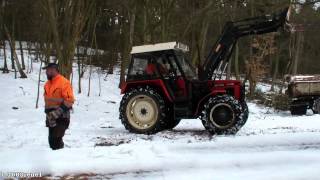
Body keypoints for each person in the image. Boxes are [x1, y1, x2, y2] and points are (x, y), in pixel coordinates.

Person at [42, 63, 75, 150]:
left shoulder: (64, 82)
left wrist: (57, 112)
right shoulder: (47, 84)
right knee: (51, 141)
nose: (46, 72)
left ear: (53, 70)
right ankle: (57, 159)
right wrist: (48, 113)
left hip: (62, 116)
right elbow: (47, 99)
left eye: (47, 70)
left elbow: (70, 100)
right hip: (50, 116)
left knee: (56, 139)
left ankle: (62, 159)